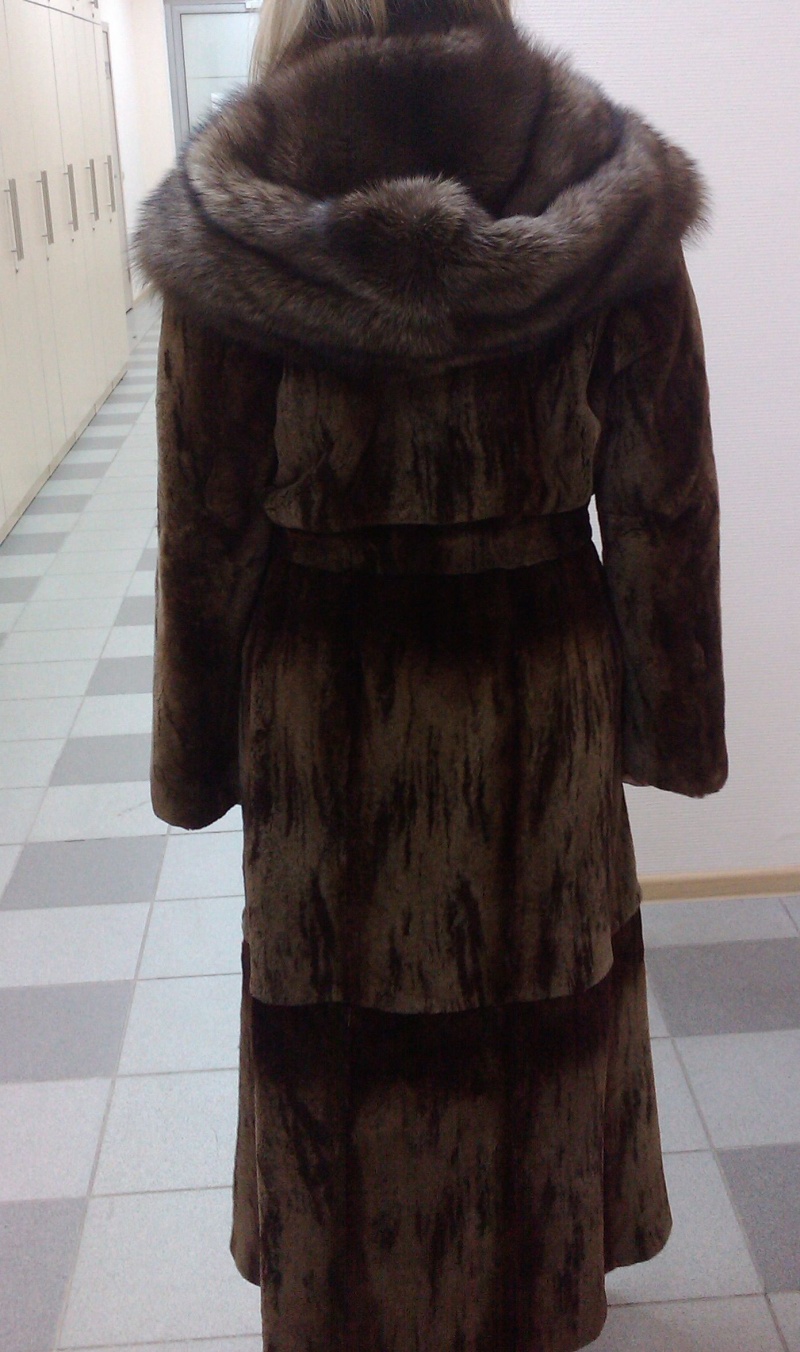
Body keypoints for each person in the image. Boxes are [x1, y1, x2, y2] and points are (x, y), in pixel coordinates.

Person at [136, 0, 727, 1345]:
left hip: (326, 698)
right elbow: (664, 498)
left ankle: (346, 1296)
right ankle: (536, 1286)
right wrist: (671, 724)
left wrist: (196, 754)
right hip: (538, 690)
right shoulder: (592, 176)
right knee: (542, 994)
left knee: (334, 1021)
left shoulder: (241, 200)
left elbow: (205, 524)